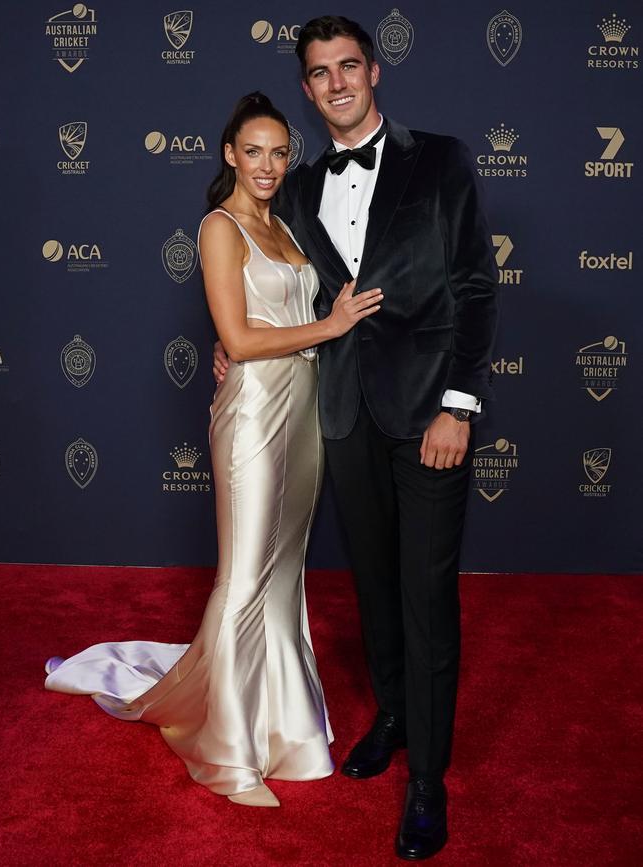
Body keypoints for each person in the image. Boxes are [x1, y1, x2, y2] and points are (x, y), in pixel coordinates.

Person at [44, 92, 382, 808]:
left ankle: (286, 729)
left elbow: (266, 317)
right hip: (255, 414)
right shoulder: (220, 227)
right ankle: (228, 754)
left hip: (303, 414)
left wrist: (318, 329)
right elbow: (239, 341)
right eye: (253, 151)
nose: (267, 165)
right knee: (243, 577)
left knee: (283, 574)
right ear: (230, 153)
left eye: (279, 152)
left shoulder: (287, 223)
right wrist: (331, 325)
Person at [213, 16, 498, 858]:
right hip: (338, 414)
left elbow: (476, 287)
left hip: (429, 417)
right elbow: (257, 267)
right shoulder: (295, 188)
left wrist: (460, 404)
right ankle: (396, 717)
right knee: (373, 586)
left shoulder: (440, 159)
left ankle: (427, 781)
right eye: (319, 73)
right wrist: (228, 349)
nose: (336, 83)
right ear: (307, 89)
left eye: (348, 66)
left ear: (373, 71)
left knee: (426, 595)